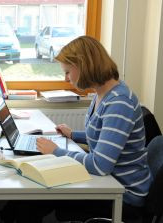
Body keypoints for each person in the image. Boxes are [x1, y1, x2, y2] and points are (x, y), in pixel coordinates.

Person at [35, 36, 152, 221]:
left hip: (124, 195)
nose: (66, 79)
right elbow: (104, 137)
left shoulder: (119, 102)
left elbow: (100, 165)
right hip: (110, 183)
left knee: (43, 195)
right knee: (41, 191)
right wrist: (74, 135)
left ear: (83, 67)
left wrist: (57, 151)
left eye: (67, 72)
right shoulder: (102, 94)